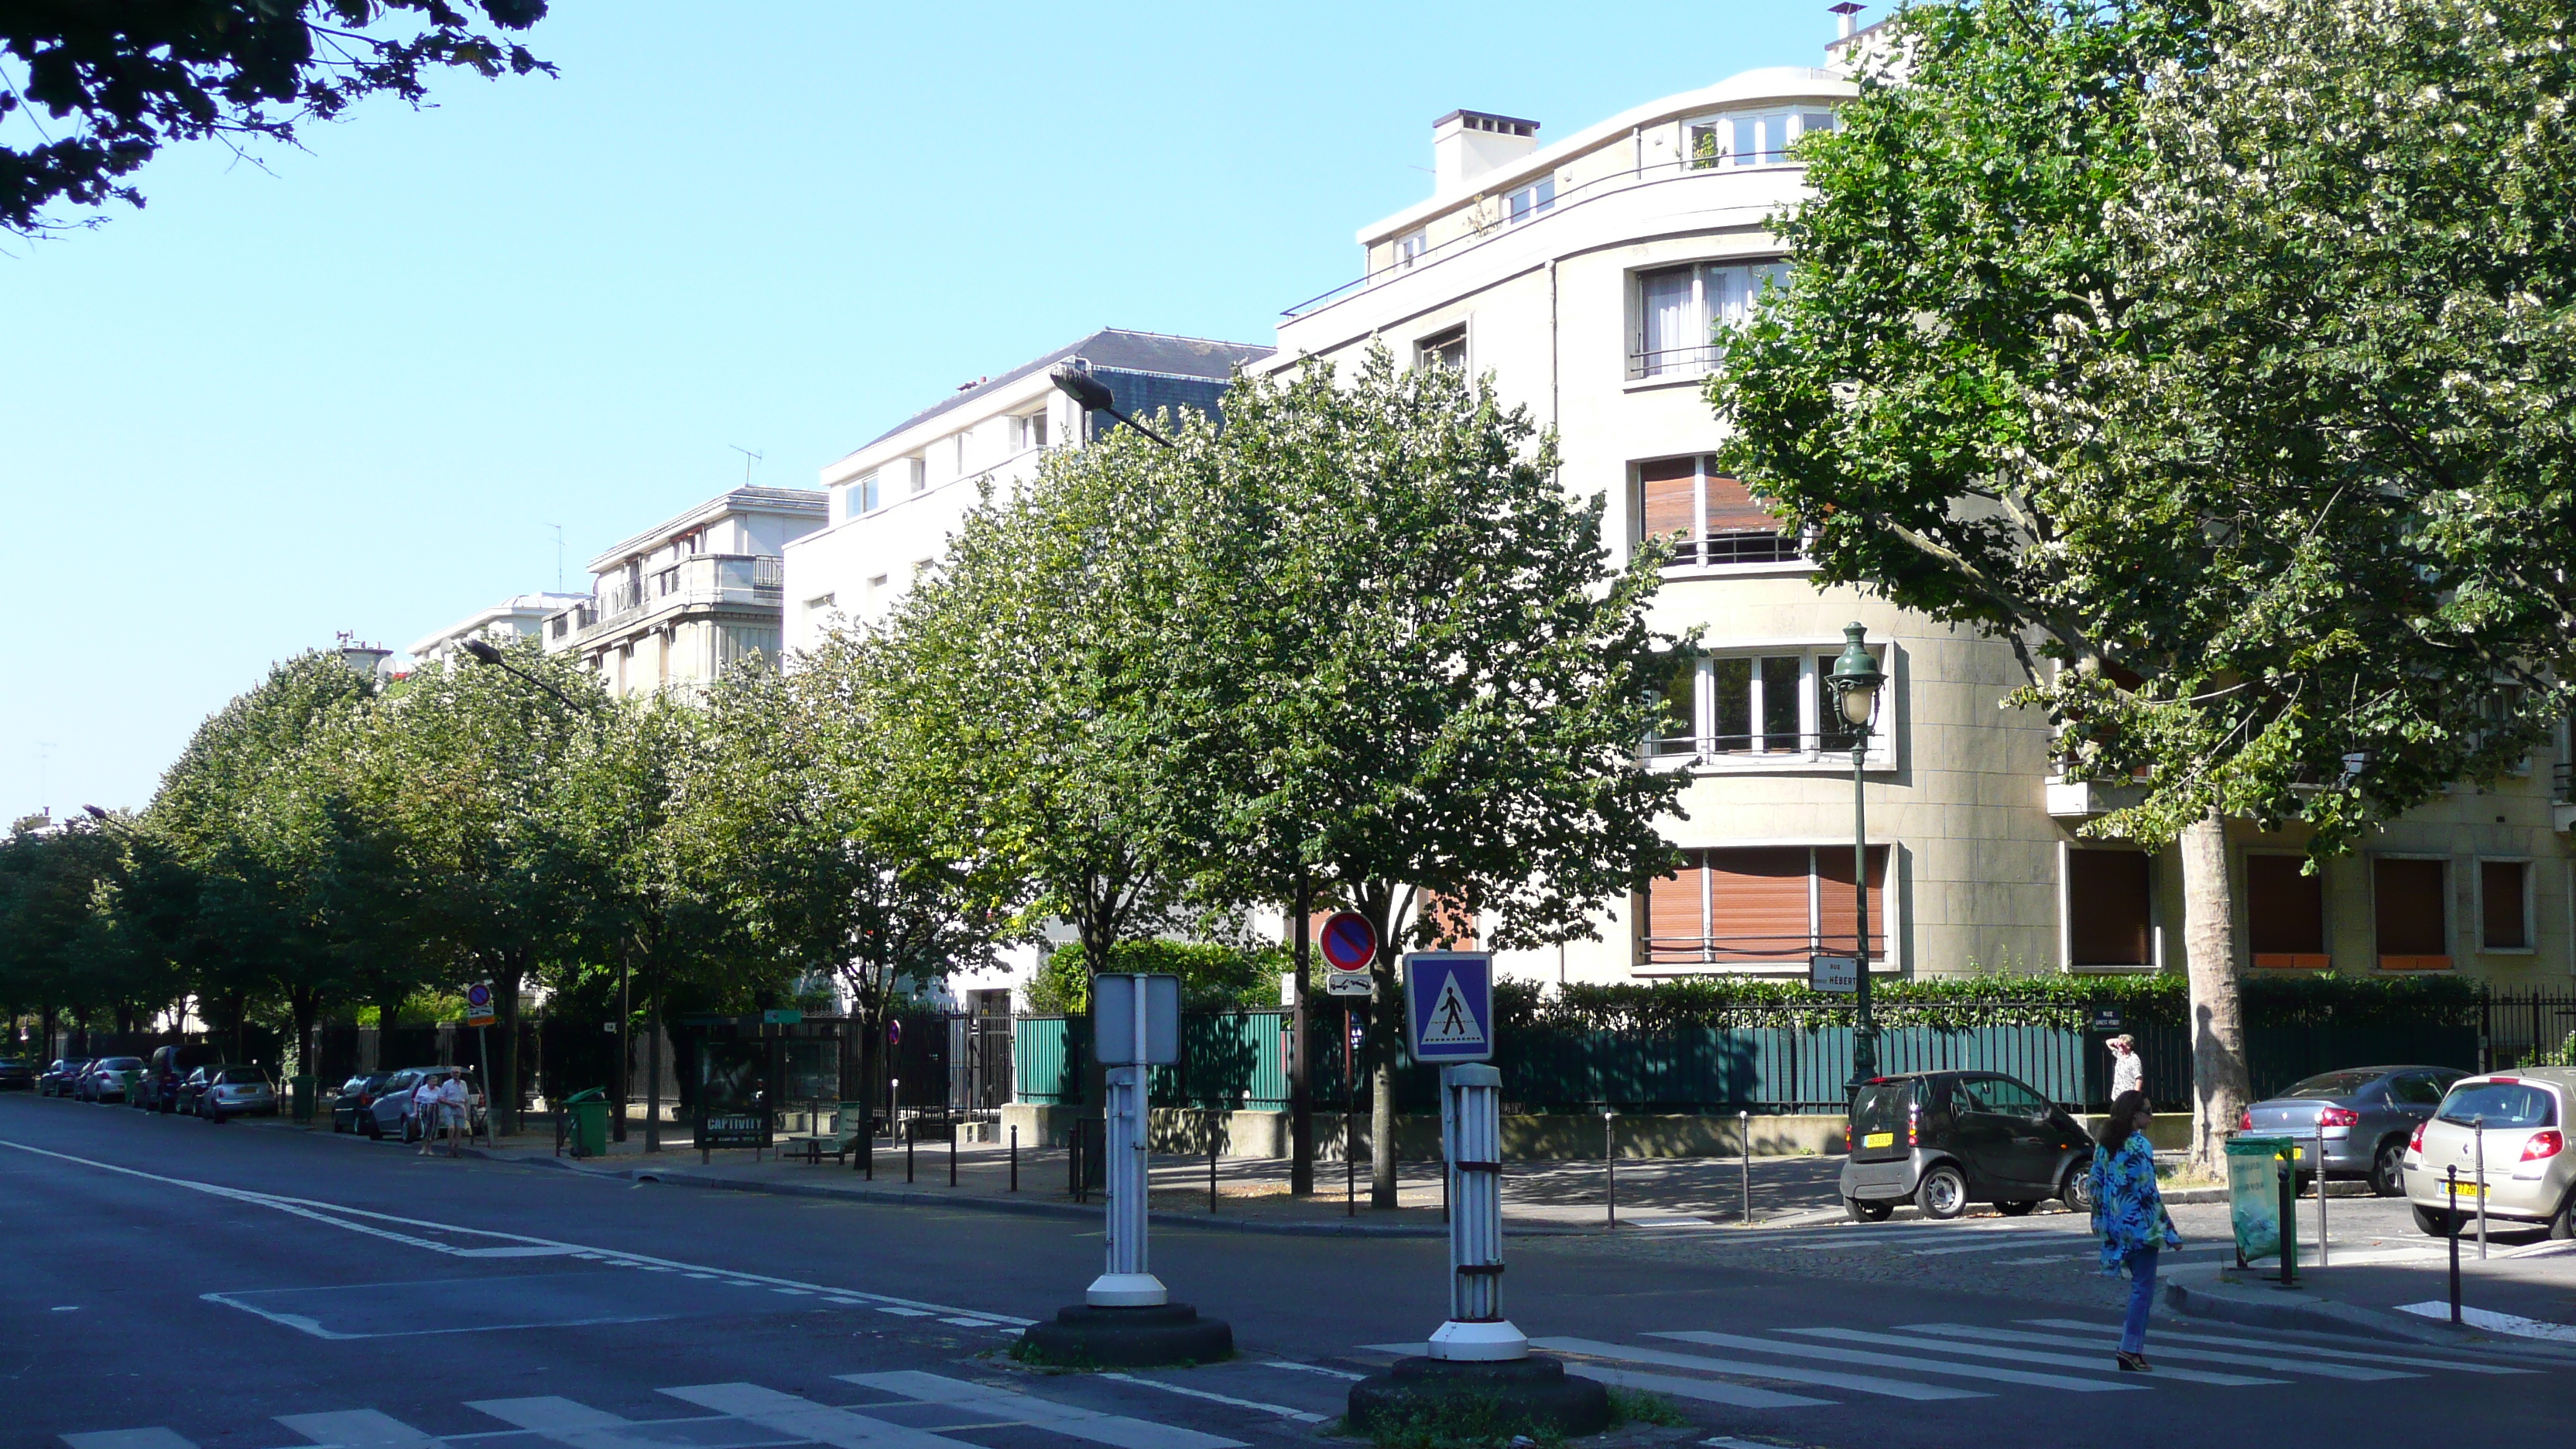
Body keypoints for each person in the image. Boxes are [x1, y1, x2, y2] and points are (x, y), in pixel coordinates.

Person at [2089, 1089, 2180, 1372]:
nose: (2152, 1117)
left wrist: (2100, 1221)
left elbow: (2095, 1184)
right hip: (2140, 1226)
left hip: (2115, 1225)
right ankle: (2130, 1348)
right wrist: (2169, 1231)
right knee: (2143, 1288)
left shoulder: (2105, 1145)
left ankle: (2131, 1348)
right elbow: (2147, 1192)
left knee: (2138, 1287)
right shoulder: (2140, 1146)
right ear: (2135, 1115)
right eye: (2148, 1111)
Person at [2108, 1033, 2143, 1101]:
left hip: (2129, 1095)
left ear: (2129, 1046)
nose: (2119, 1046)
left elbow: (2139, 1078)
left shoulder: (2134, 1059)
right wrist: (2117, 1040)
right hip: (2117, 1095)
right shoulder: (2120, 1055)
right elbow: (2108, 1043)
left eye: (2122, 1044)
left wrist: (2136, 1096)